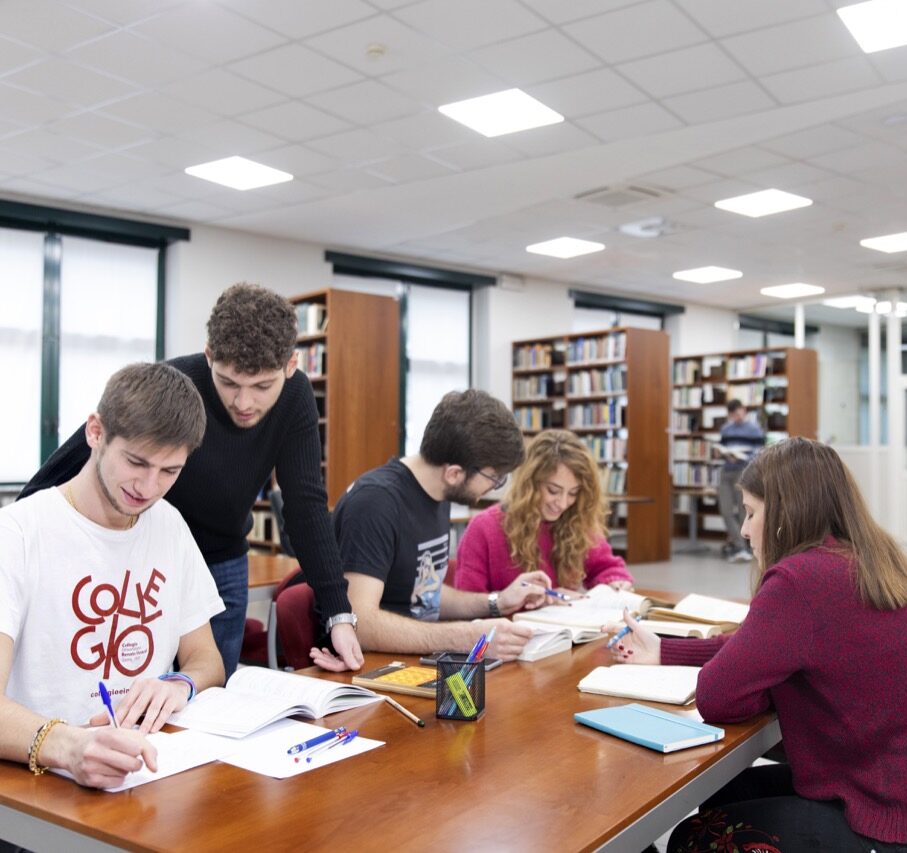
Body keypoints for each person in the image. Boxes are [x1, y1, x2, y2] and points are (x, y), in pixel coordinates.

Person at [609, 438, 907, 851]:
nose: (742, 529)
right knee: (729, 791)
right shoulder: (870, 560)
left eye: (751, 512)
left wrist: (766, 684)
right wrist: (666, 651)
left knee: (693, 839)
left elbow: (718, 698)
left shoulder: (800, 580)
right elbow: (771, 649)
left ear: (781, 516)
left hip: (892, 824)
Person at [20, 284, 362, 679]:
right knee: (129, 684)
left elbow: (305, 507)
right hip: (150, 557)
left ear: (290, 364)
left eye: (262, 387)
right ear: (209, 355)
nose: (244, 403)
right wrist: (17, 545)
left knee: (210, 690)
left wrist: (338, 613)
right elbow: (72, 464)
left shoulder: (296, 396)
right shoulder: (174, 384)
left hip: (223, 560)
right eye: (230, 383)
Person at [0, 363, 225, 790]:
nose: (148, 486)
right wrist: (68, 745)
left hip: (146, 776)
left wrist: (181, 684)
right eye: (136, 462)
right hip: (40, 784)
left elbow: (206, 659)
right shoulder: (16, 534)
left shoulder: (169, 525)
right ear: (96, 432)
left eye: (170, 472)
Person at [330, 390, 551, 662]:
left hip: (413, 657)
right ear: (454, 473)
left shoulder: (439, 492)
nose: (495, 487)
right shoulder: (374, 503)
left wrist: (497, 602)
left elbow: (422, 591)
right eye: (495, 478)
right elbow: (358, 624)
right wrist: (467, 637)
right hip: (370, 665)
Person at [454, 429, 633, 595]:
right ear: (530, 484)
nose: (563, 504)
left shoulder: (575, 520)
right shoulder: (484, 528)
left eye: (573, 493)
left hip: (560, 627)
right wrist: (511, 602)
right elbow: (468, 604)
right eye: (553, 491)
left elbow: (605, 567)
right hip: (505, 627)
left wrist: (615, 582)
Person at [716, 398, 764, 563]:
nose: (736, 417)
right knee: (726, 511)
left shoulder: (754, 429)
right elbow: (722, 448)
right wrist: (724, 454)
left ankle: (746, 547)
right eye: (732, 415)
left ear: (743, 410)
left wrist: (743, 457)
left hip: (743, 472)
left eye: (738, 413)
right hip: (726, 472)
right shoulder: (726, 429)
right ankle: (740, 547)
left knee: (745, 511)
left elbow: (760, 452)